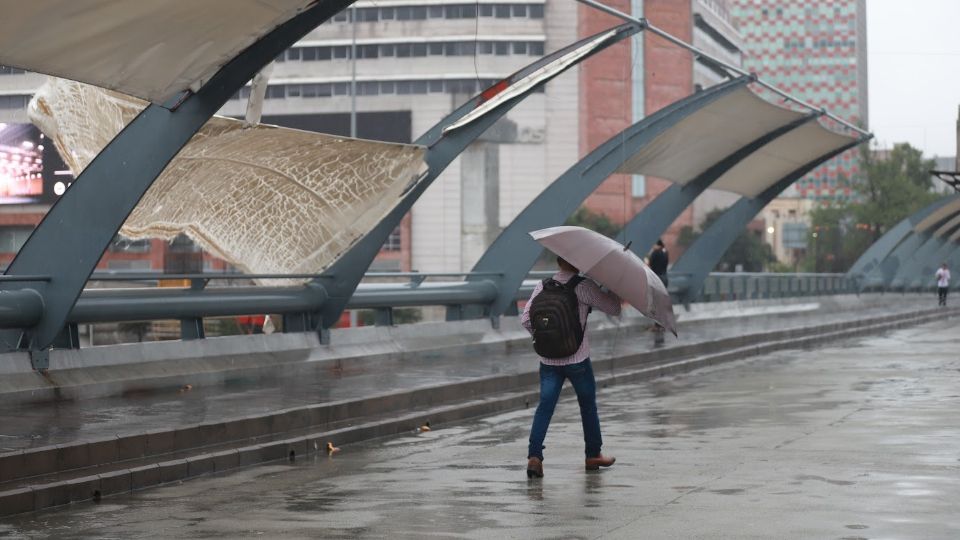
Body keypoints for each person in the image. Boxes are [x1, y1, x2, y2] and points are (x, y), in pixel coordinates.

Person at [520, 256, 621, 478]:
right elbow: (614, 308)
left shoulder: (542, 285)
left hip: (548, 361)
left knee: (544, 407)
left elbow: (526, 320)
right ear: (578, 263)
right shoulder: (583, 286)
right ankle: (593, 455)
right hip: (577, 360)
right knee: (587, 406)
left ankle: (534, 457)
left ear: (557, 260)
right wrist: (612, 287)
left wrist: (546, 339)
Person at [647, 239, 669, 345]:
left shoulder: (655, 253)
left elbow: (650, 264)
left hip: (656, 279)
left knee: (655, 303)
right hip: (664, 279)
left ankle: (657, 325)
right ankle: (662, 324)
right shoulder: (665, 252)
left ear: (657, 245)